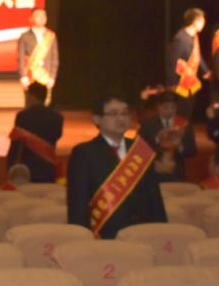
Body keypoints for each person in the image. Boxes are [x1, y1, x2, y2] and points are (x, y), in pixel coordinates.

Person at [67, 94, 167, 239]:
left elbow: (155, 200)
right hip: (104, 238)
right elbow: (78, 204)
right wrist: (82, 238)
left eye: (125, 113)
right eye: (113, 114)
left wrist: (161, 234)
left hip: (143, 235)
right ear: (97, 119)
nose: (121, 119)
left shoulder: (141, 150)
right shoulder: (84, 153)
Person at [7, 82, 63, 184]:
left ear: (31, 96)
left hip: (27, 172)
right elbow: (57, 136)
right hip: (49, 169)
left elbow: (16, 145)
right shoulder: (57, 118)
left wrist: (10, 167)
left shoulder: (23, 116)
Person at [140, 90, 197, 183]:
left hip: (176, 175)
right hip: (153, 173)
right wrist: (157, 139)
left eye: (173, 107)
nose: (170, 110)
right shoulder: (147, 124)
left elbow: (193, 150)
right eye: (166, 107)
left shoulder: (184, 124)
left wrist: (180, 146)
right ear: (158, 106)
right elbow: (139, 149)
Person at [168, 8, 211, 108]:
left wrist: (205, 71)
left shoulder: (193, 36)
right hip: (180, 82)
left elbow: (197, 55)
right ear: (195, 22)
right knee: (182, 110)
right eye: (202, 21)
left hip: (190, 79)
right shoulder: (180, 39)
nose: (204, 24)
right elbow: (172, 62)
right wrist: (172, 84)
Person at [17, 8, 59, 100]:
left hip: (46, 77)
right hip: (30, 77)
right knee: (31, 104)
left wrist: (52, 77)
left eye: (44, 15)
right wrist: (23, 76)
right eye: (38, 15)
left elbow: (55, 58)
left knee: (46, 104)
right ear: (31, 19)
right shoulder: (24, 36)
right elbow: (20, 58)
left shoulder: (51, 36)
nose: (41, 18)